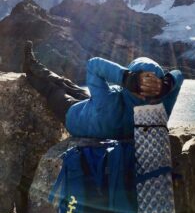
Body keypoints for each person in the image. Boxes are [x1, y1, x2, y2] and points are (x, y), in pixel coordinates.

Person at [23, 41, 184, 139]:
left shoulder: (110, 103)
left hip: (75, 118)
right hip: (95, 111)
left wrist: (126, 78)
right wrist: (165, 85)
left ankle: (30, 70)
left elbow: (93, 65)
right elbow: (179, 75)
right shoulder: (159, 112)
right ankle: (36, 65)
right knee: (68, 84)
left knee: (55, 90)